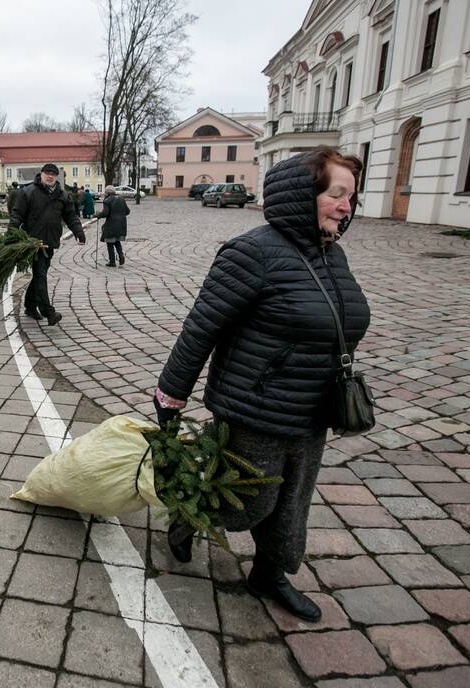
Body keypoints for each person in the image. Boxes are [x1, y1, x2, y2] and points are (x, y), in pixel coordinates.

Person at [152, 148, 371, 623]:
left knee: (292, 505)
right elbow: (201, 327)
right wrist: (170, 395)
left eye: (350, 197)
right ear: (301, 195)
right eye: (336, 194)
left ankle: (269, 575)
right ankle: (188, 516)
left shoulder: (333, 255)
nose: (346, 206)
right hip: (255, 406)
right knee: (249, 502)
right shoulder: (251, 253)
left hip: (312, 411)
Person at [9, 163, 86, 327]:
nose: (50, 176)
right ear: (41, 174)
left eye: (53, 174)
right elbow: (17, 214)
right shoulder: (28, 192)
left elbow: (70, 216)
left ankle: (30, 306)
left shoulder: (63, 195)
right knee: (40, 274)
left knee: (39, 275)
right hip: (33, 242)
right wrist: (12, 232)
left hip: (50, 241)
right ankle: (48, 311)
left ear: (56, 177)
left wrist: (78, 232)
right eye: (47, 173)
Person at [97, 186, 129, 266]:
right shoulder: (121, 199)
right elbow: (127, 211)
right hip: (121, 224)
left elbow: (105, 213)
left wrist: (98, 215)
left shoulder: (107, 201)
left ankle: (112, 261)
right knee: (117, 241)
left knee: (110, 242)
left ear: (107, 192)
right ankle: (121, 255)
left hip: (111, 224)